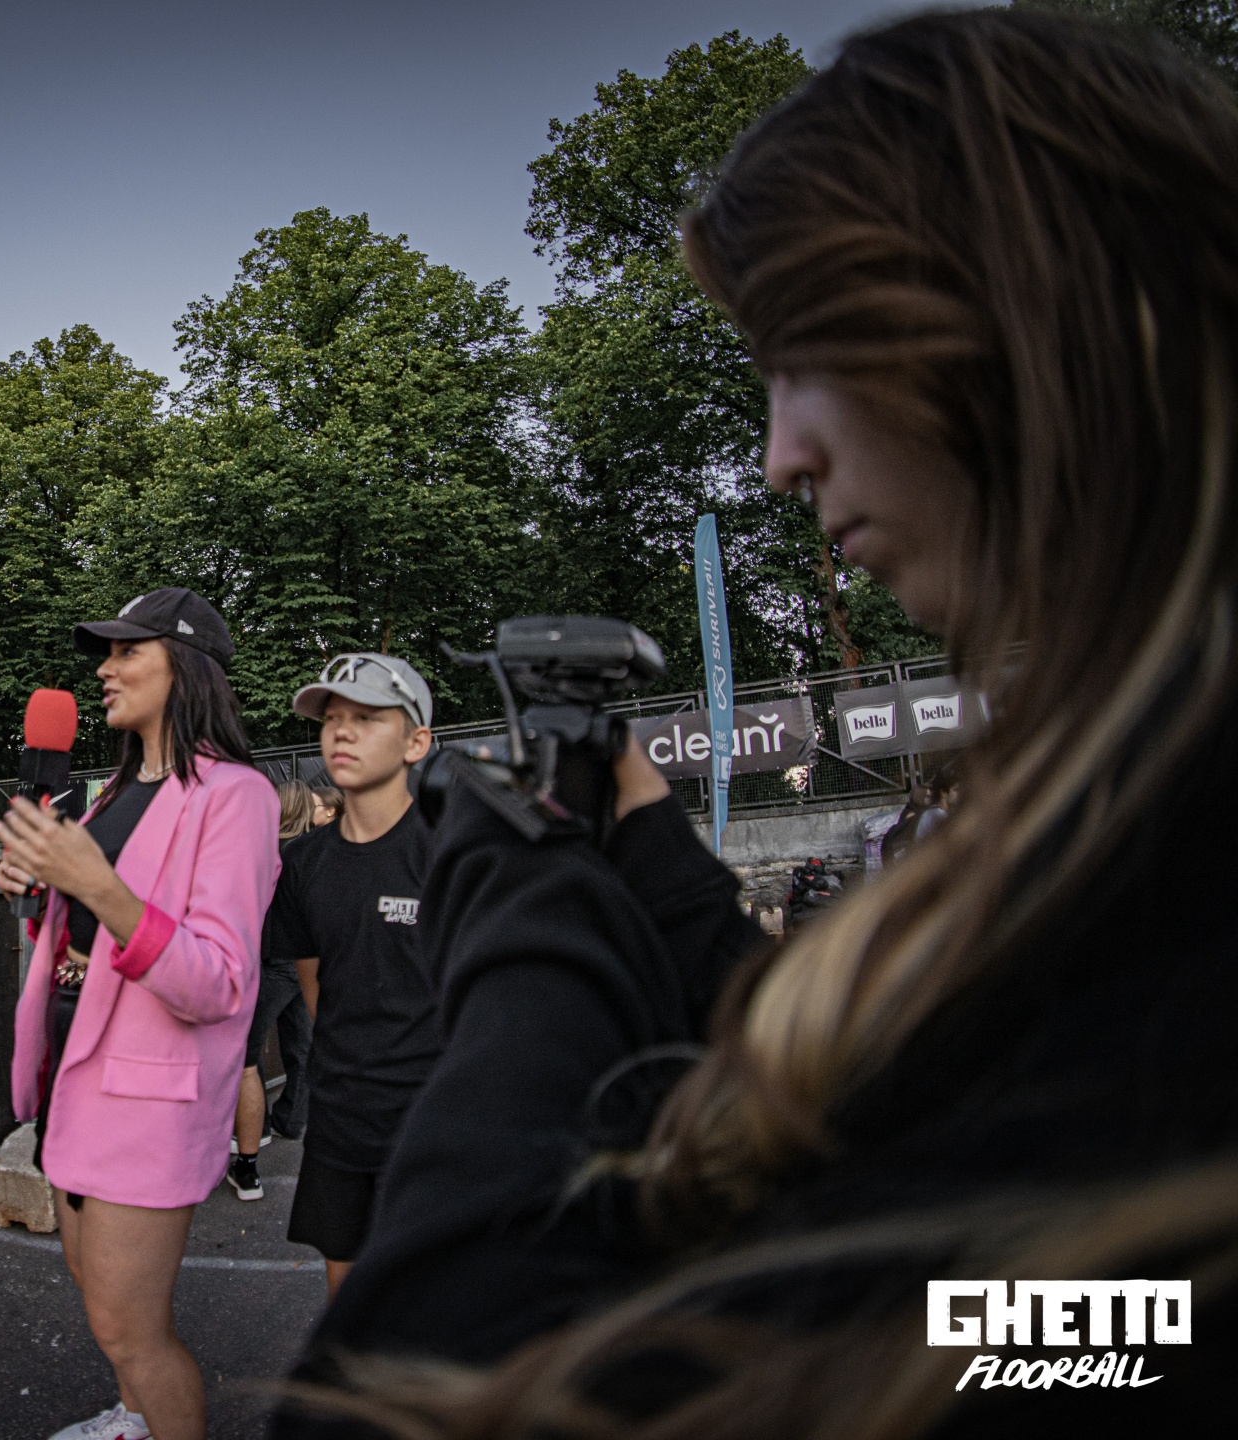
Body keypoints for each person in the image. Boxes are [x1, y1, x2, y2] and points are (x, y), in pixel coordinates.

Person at [295, 12, 1238, 1434]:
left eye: (805, 362)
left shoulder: (1177, 880)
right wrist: (657, 868)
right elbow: (891, 1150)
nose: (781, 452)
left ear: (999, 325)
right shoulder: (1138, 788)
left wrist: (528, 915)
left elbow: (414, 1389)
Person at [0, 587, 279, 1440]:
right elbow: (90, 928)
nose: (104, 670)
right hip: (74, 1075)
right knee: (98, 1300)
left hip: (148, 1100)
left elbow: (220, 981)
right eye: (106, 653)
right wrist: (42, 895)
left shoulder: (237, 795)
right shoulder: (112, 790)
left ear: (183, 668)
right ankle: (134, 1420)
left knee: (132, 1329)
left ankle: (154, 1416)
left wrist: (97, 886)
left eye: (127, 652)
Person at [253, 655, 440, 1297]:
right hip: (342, 1119)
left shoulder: (457, 851)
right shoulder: (303, 863)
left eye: (367, 717)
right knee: (350, 1308)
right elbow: (316, 989)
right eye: (333, 718)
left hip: (439, 1121)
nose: (342, 731)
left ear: (416, 742)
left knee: (437, 1311)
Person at [227, 780, 317, 1200]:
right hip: (304, 963)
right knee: (301, 1043)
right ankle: (292, 1119)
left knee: (246, 1050)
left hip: (275, 962)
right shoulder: (313, 851)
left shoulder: (271, 853)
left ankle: (255, 1129)